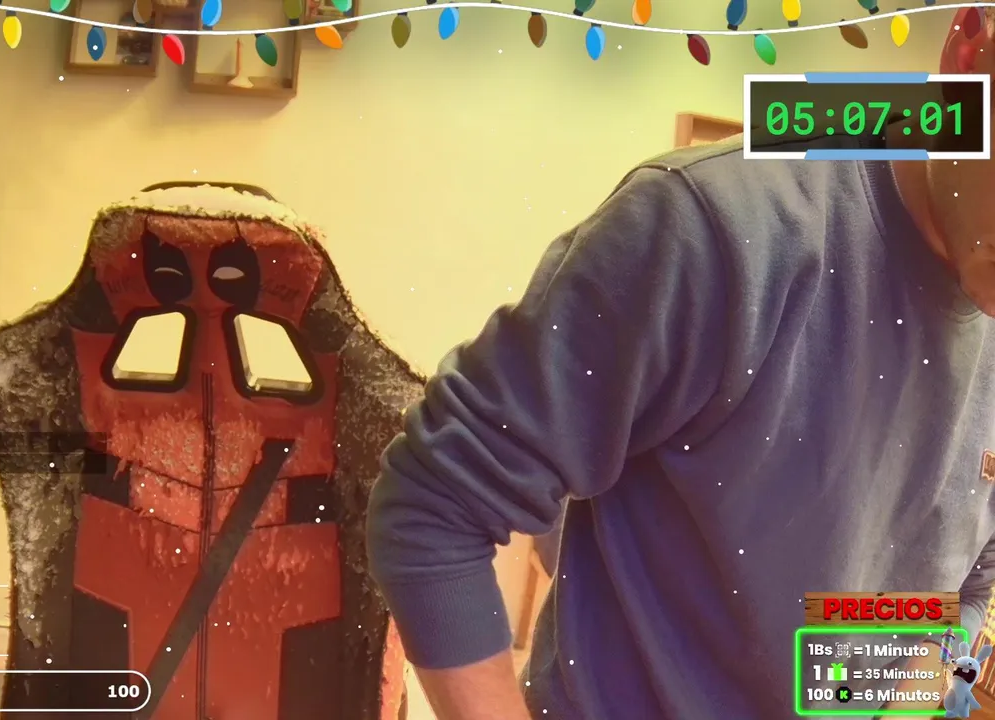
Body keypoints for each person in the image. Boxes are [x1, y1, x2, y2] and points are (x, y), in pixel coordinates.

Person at [365, 10, 995, 720]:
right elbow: (434, 504)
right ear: (970, 49)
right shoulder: (719, 224)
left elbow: (965, 584)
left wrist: (892, 698)